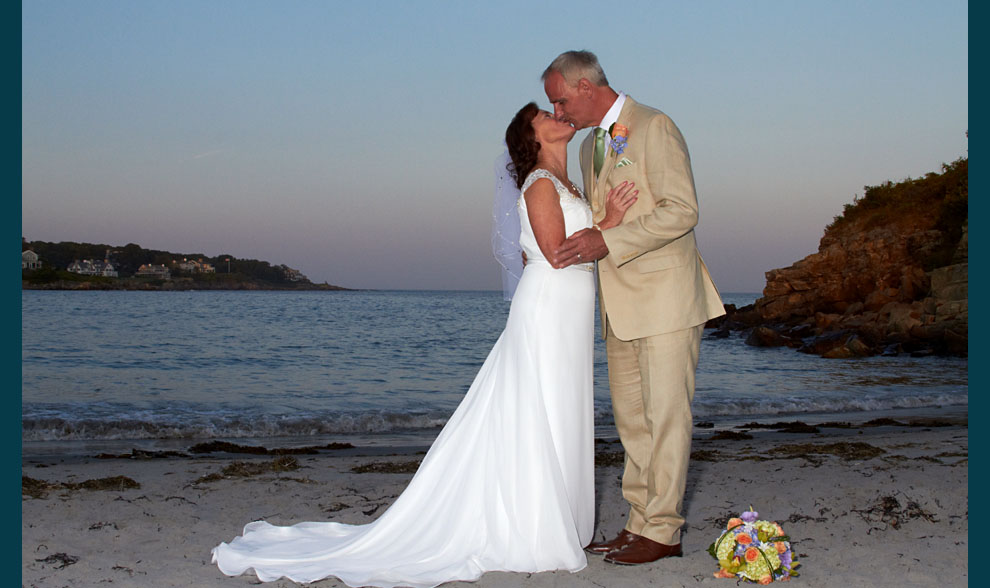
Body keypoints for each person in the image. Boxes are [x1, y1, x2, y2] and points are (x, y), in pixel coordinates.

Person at [211, 102, 637, 587]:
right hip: (550, 307)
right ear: (532, 135)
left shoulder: (566, 181)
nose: (558, 114)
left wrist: (606, 215)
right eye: (544, 113)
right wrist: (614, 222)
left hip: (569, 309)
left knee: (560, 407)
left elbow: (550, 246)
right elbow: (558, 254)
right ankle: (537, 526)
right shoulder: (540, 182)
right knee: (543, 407)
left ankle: (559, 518)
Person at [542, 50, 725, 565]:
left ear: (584, 86)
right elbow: (602, 221)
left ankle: (663, 533)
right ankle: (639, 523)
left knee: (667, 417)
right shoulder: (588, 149)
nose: (558, 112)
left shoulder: (654, 125)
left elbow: (682, 210)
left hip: (666, 299)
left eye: (560, 100)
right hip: (617, 306)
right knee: (632, 423)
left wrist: (610, 243)